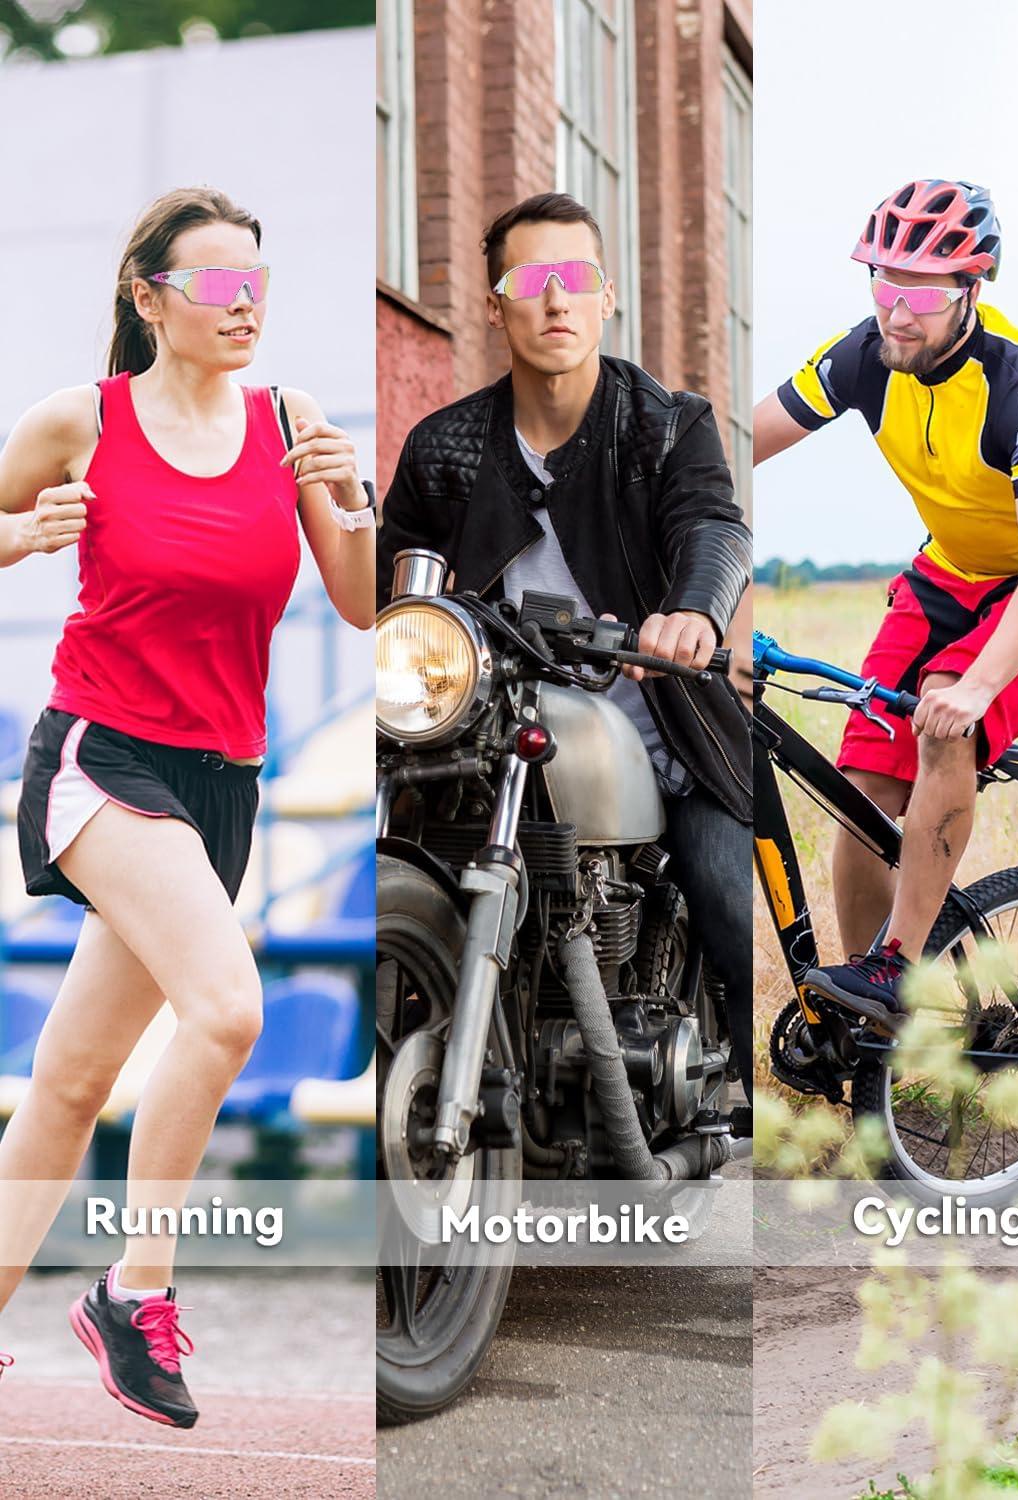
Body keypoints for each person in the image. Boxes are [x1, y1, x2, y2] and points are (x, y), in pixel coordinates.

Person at [0, 187, 375, 1425]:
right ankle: (135, 1290)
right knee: (227, 1010)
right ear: (149, 298)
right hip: (103, 753)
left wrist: (354, 498)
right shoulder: (84, 420)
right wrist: (22, 538)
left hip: (224, 784)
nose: (245, 304)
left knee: (71, 1082)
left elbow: (363, 604)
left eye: (257, 281)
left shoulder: (290, 423)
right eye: (217, 284)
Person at [377, 191, 754, 1113]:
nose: (555, 299)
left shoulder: (667, 425)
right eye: (530, 280)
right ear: (494, 305)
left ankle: (756, 1101)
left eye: (575, 277)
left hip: (661, 731)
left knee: (725, 886)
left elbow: (713, 523)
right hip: (484, 737)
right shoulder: (443, 450)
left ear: (606, 297)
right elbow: (390, 588)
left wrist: (693, 612)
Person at [752, 179, 1018, 1022]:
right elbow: (739, 440)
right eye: (884, 284)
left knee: (944, 719)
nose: (897, 311)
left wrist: (976, 690)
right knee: (858, 789)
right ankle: (866, 1012)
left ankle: (899, 966)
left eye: (922, 294)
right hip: (951, 571)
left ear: (972, 290)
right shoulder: (862, 356)